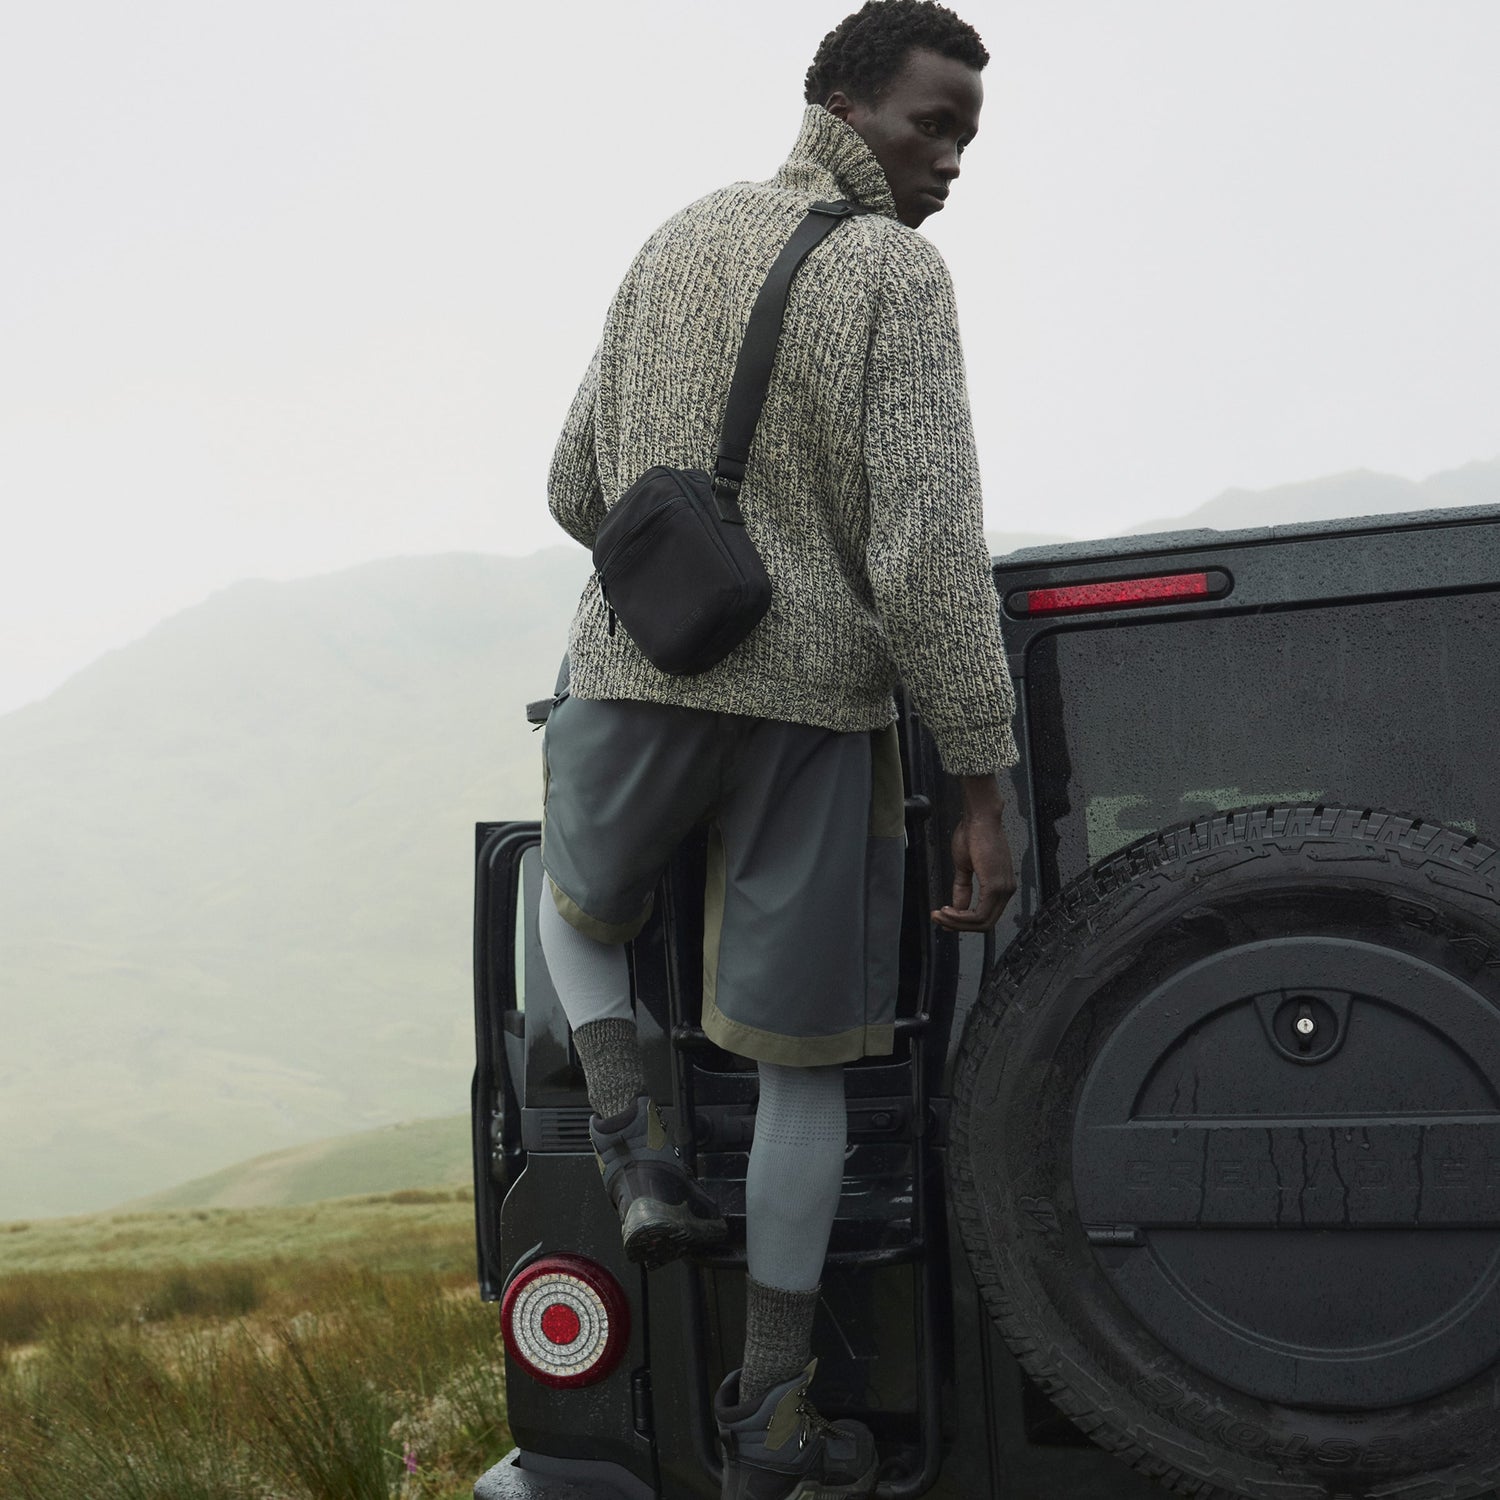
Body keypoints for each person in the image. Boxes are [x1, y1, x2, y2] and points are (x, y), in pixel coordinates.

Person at [539, 3, 1017, 1495]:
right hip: (816, 714)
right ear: (846, 105)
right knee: (802, 1075)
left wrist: (682, 566)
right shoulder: (896, 272)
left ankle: (632, 1146)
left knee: (575, 903)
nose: (953, 159)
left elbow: (573, 483)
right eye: (935, 123)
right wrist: (981, 776)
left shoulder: (674, 238)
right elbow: (926, 550)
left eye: (966, 135)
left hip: (641, 666)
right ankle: (774, 1420)